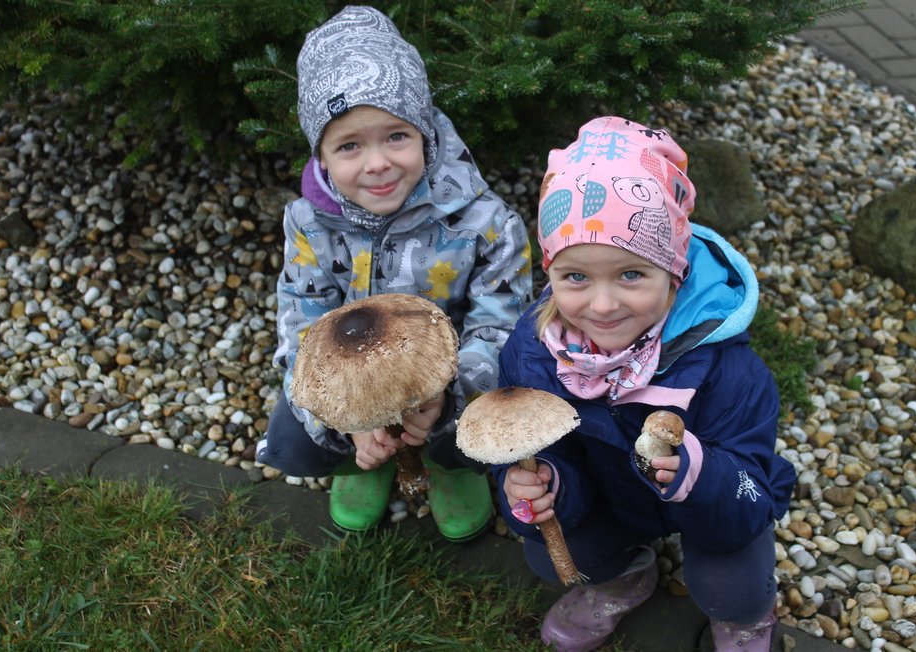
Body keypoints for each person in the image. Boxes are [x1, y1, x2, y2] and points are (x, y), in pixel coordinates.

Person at [489, 116, 796, 651]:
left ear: (674, 271)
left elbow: (753, 492)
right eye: (576, 277)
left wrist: (699, 473)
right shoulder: (533, 353)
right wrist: (543, 484)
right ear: (550, 273)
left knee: (733, 587)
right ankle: (628, 573)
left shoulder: (728, 372)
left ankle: (746, 618)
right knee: (548, 549)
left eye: (631, 274)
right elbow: (521, 443)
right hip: (609, 499)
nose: (603, 306)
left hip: (710, 509)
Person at [254, 5, 533, 543]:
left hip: (449, 375)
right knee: (295, 436)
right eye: (350, 145)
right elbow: (302, 322)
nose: (377, 163)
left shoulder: (485, 222)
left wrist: (451, 397)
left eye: (396, 136)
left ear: (425, 132)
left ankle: (451, 465)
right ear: (322, 155)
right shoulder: (309, 224)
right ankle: (368, 459)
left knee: (476, 424)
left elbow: (501, 323)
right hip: (353, 372)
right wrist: (348, 418)